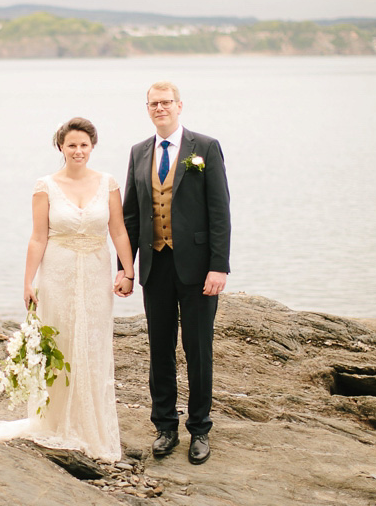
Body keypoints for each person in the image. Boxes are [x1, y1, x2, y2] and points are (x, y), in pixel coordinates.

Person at [0, 117, 136, 463]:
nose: (78, 151)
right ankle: (57, 424)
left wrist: (127, 271)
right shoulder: (46, 186)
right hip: (57, 272)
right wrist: (28, 281)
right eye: (72, 145)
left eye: (84, 145)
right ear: (61, 147)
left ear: (92, 147)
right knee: (61, 344)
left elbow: (119, 231)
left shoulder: (108, 184)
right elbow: (39, 236)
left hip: (97, 272)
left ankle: (91, 428)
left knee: (93, 344)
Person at [118, 81, 231, 465]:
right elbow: (130, 217)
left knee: (198, 350)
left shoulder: (206, 148)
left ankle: (199, 429)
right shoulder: (138, 152)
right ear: (147, 108)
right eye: (154, 103)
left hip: (198, 268)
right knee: (159, 350)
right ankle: (165, 426)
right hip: (155, 265)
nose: (160, 108)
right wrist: (126, 268)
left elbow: (220, 211)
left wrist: (219, 266)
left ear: (180, 105)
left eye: (166, 102)